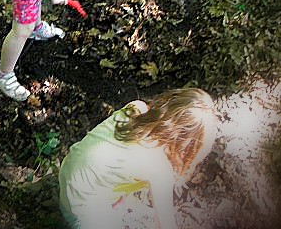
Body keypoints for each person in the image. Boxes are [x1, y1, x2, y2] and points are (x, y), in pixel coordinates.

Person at [58, 88, 217, 229]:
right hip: (79, 211)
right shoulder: (160, 169)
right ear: (188, 147)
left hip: (67, 172)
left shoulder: (136, 108)